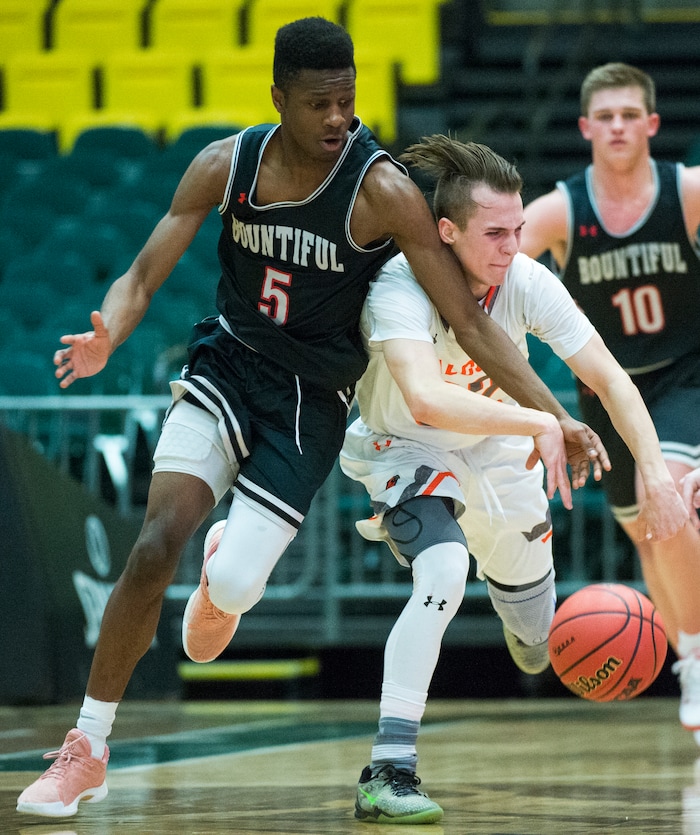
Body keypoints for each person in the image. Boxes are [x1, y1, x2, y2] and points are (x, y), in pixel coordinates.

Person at [16, 18, 603, 820]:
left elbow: (470, 322)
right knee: (157, 540)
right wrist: (108, 332)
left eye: (349, 100)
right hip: (227, 360)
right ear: (278, 100)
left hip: (311, 398)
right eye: (320, 103)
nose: (339, 118)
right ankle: (87, 747)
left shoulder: (383, 190)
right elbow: (145, 269)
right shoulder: (226, 165)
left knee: (230, 581)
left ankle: (228, 563)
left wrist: (548, 413)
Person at [339, 135, 688, 825]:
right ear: (447, 231)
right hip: (405, 446)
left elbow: (610, 379)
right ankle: (390, 768)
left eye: (520, 229)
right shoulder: (399, 289)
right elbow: (425, 400)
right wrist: (542, 421)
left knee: (537, 648)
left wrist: (655, 470)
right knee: (441, 571)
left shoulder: (524, 279)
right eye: (495, 232)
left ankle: (519, 609)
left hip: (501, 457)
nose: (511, 244)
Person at [520, 62, 700, 739]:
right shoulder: (563, 210)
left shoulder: (685, 193)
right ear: (586, 128)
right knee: (654, 539)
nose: (619, 126)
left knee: (674, 501)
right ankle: (686, 652)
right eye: (607, 116)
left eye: (631, 115)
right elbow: (490, 262)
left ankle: (697, 658)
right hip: (607, 394)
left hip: (684, 375)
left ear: (652, 125)